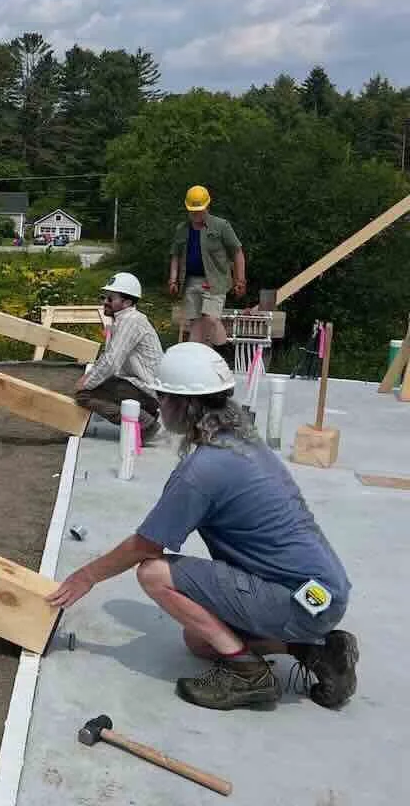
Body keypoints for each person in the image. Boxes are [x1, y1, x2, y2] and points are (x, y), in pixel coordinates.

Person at [48, 343, 357, 712]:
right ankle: (318, 650)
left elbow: (146, 546)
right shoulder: (243, 441)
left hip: (297, 599)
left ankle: (247, 674)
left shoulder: (204, 470)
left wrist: (85, 577)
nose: (159, 405)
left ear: (184, 404)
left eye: (162, 397)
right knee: (200, 642)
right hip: (323, 593)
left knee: (153, 573)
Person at [74, 272, 163, 442]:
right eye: (104, 297)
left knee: (84, 395)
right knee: (94, 383)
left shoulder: (131, 321)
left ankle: (144, 424)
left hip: (148, 391)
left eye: (110, 299)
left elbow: (111, 362)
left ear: (127, 302)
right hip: (144, 388)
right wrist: (89, 377)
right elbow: (108, 357)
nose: (105, 302)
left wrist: (86, 383)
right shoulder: (123, 320)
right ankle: (146, 413)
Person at [168, 185, 246, 354]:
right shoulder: (182, 229)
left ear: (207, 206)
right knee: (195, 324)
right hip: (190, 282)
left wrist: (240, 280)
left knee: (211, 318)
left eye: (199, 210)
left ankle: (225, 354)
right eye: (193, 211)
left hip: (215, 281)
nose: (196, 214)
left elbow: (237, 252)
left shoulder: (221, 226)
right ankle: (196, 358)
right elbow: (175, 255)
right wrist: (173, 280)